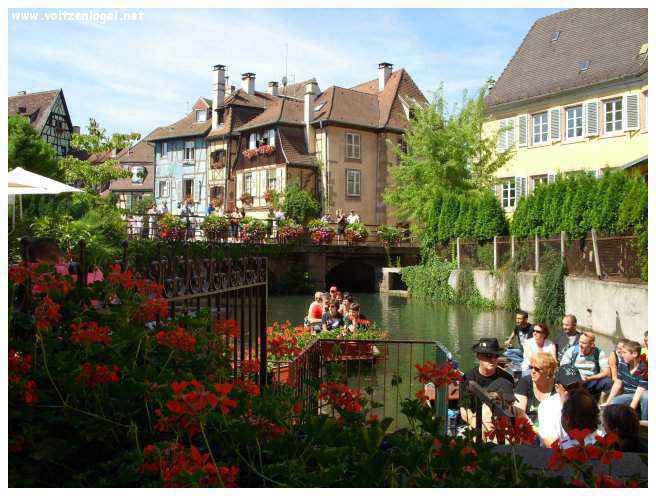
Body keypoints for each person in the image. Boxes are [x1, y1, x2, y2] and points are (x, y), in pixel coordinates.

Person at [537, 365, 583, 447]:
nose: (574, 391)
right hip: (556, 456)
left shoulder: (586, 403)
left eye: (577, 386)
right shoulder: (547, 407)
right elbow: (551, 443)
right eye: (569, 387)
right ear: (557, 388)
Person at [605, 340, 648, 420]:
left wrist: (630, 410)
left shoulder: (644, 368)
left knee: (647, 398)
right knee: (614, 403)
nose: (622, 355)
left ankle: (645, 424)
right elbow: (618, 383)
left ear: (634, 354)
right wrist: (608, 402)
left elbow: (639, 391)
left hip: (641, 393)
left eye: (624, 352)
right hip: (627, 394)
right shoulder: (623, 363)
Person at [560, 331, 612, 397]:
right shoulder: (572, 351)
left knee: (608, 382)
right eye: (580, 342)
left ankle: (603, 403)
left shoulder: (598, 352)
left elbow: (607, 373)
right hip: (575, 382)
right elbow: (563, 368)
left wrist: (588, 378)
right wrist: (575, 378)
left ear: (591, 344)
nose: (580, 345)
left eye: (583, 343)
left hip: (591, 381)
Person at [514, 352, 557, 430]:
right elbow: (519, 412)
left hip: (552, 429)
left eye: (537, 369)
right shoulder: (525, 382)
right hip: (528, 429)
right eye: (531, 367)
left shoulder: (557, 386)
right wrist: (535, 431)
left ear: (549, 372)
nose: (533, 371)